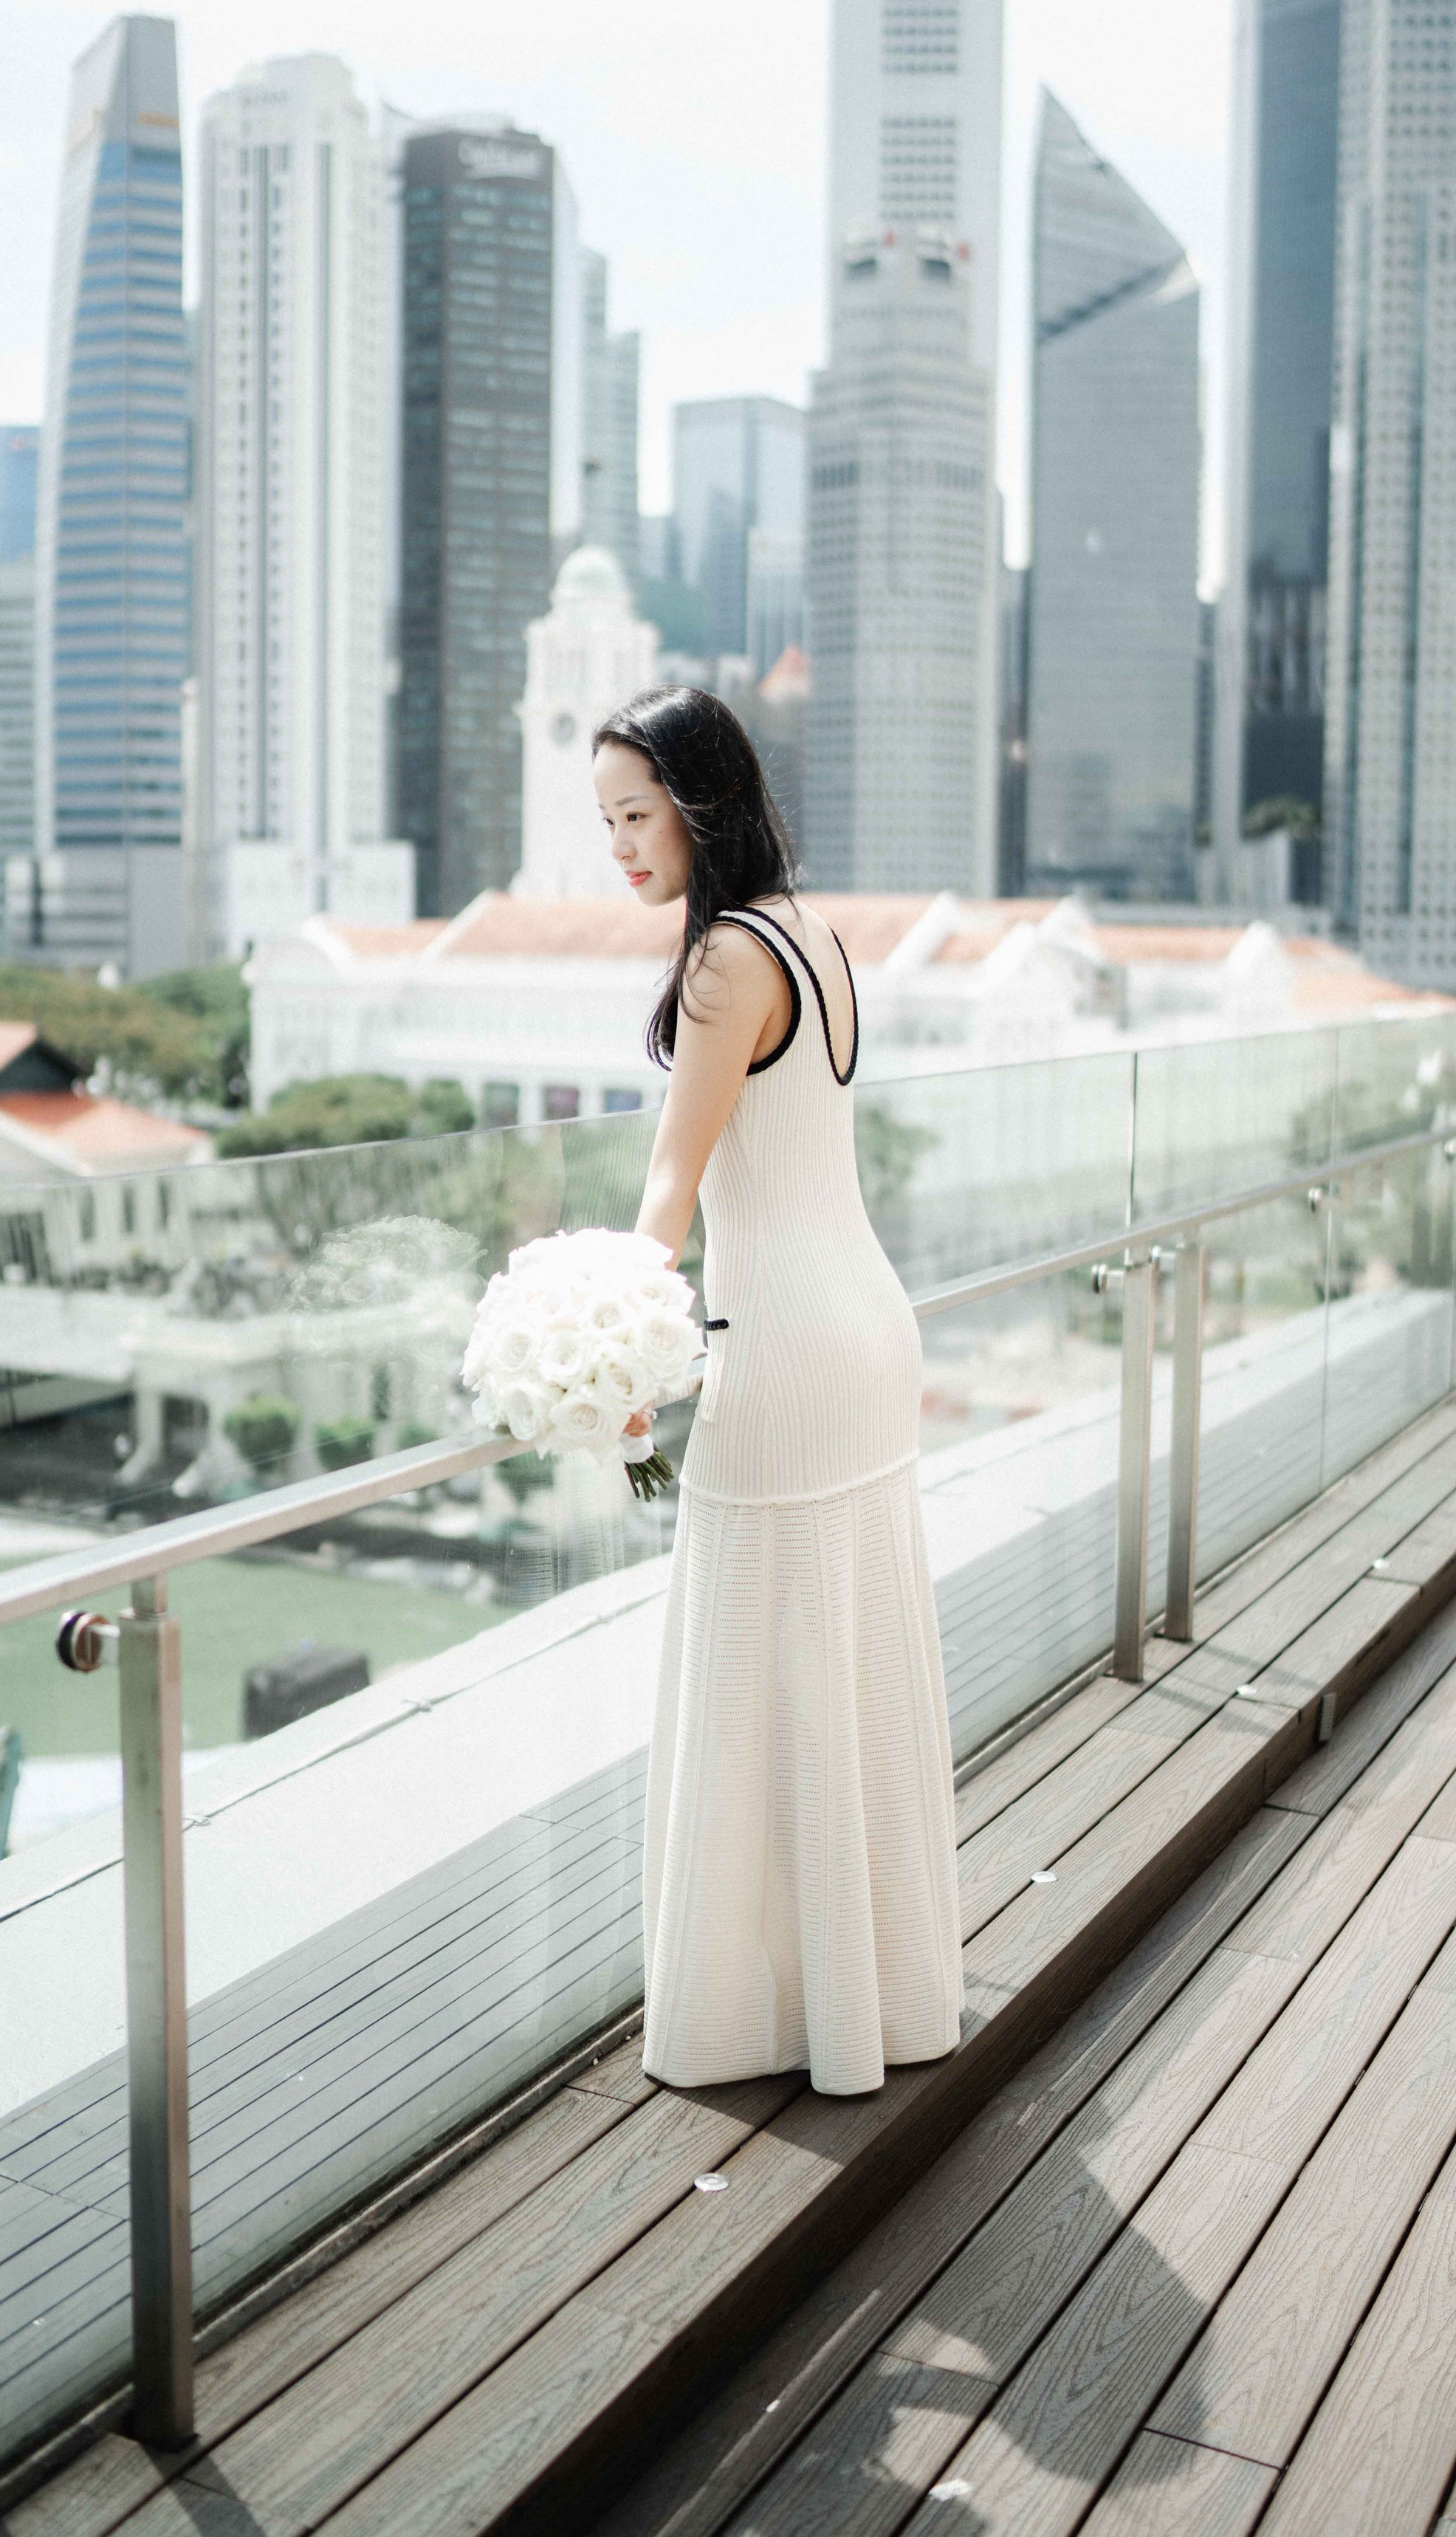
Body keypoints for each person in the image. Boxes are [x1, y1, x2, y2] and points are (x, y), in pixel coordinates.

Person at [591, 685, 962, 2098]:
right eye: (608, 822)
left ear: (700, 804)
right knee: (847, 1662)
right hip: (868, 1326)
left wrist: (607, 1351)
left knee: (753, 1664)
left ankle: (759, 2018)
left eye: (638, 814)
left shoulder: (722, 965)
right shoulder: (812, 932)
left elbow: (671, 1185)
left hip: (787, 1350)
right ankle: (873, 1999)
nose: (623, 846)